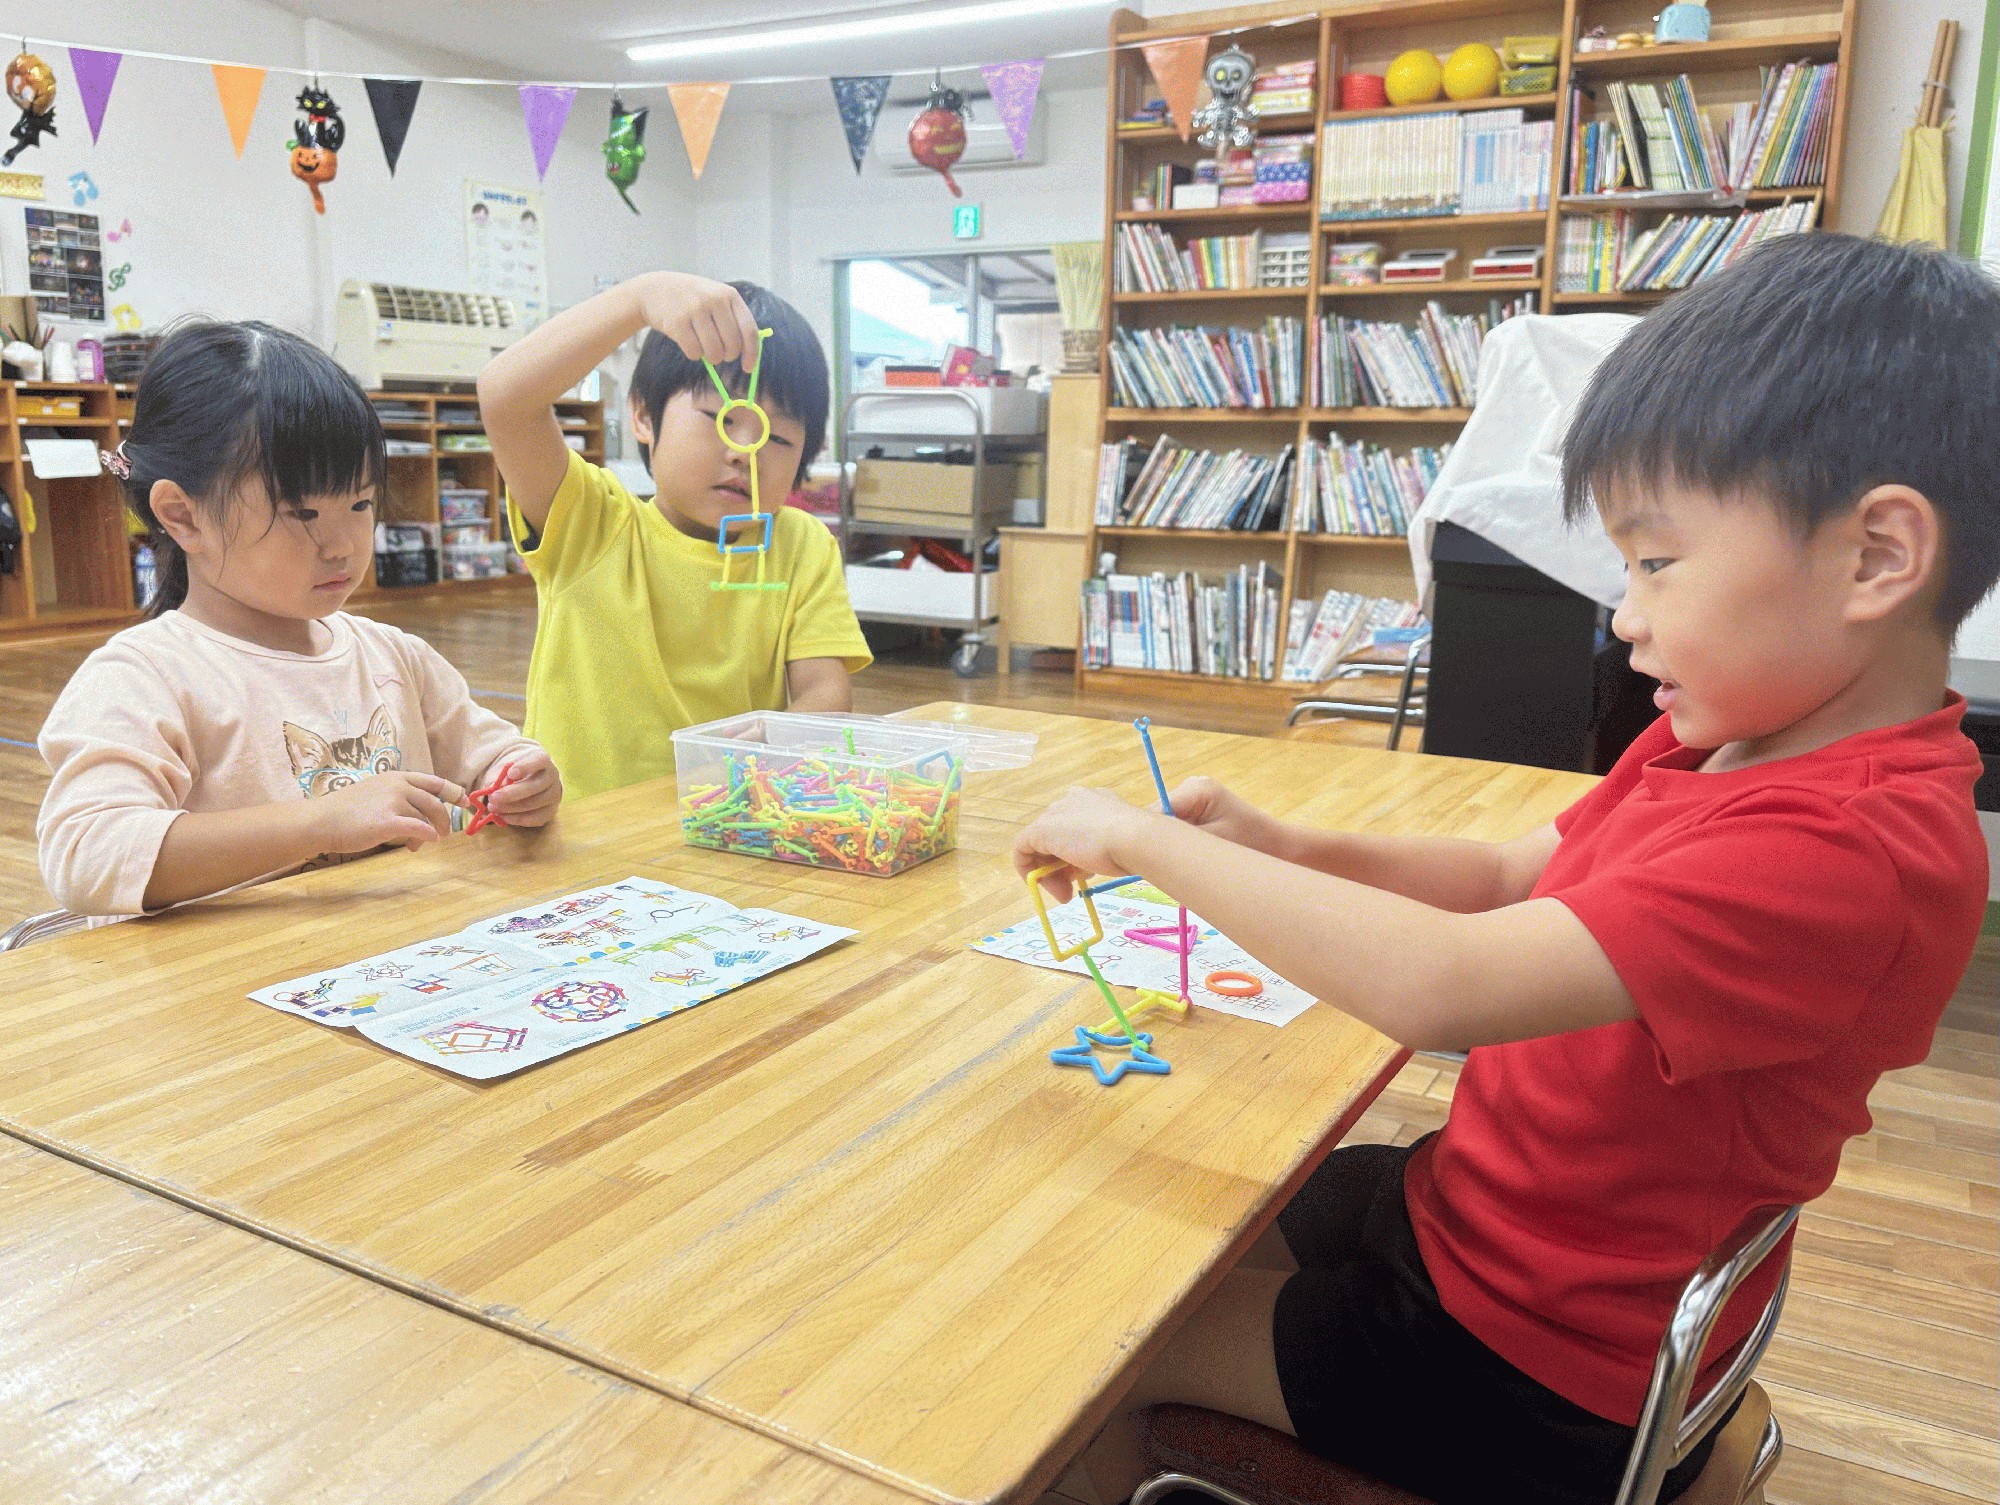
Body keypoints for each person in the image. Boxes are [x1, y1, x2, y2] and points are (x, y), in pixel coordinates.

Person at [1014, 233, 1994, 1505]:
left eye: (1655, 561)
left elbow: (1444, 982)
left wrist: (1148, 842)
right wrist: (1282, 845)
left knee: (1084, 1359)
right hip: (1482, 1228)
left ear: (1874, 556)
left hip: (1531, 1367)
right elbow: (1498, 875)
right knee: (1186, 1222)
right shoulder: (1729, 742)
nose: (1623, 613)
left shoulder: (1847, 850)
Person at [38, 320, 561, 918]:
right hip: (235, 972)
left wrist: (522, 779)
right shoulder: (143, 677)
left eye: (360, 503)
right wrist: (321, 823)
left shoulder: (395, 657)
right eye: (302, 513)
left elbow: (490, 756)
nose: (342, 546)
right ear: (183, 516)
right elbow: (87, 854)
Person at [477, 272, 870, 800]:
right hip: (579, 829)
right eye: (719, 417)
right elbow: (505, 398)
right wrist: (638, 299)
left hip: (726, 820)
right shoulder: (591, 523)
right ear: (643, 415)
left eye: (777, 438)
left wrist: (784, 732)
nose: (744, 452)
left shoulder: (801, 545)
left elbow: (825, 688)